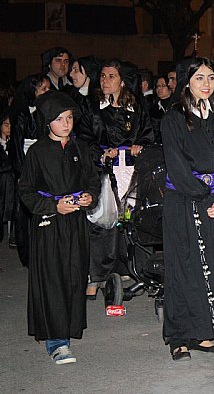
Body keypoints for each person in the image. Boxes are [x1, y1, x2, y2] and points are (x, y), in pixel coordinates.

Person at [18, 90, 100, 364]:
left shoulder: (80, 148)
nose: (66, 124)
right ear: (47, 122)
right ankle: (56, 340)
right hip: (50, 225)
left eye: (69, 118)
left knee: (74, 276)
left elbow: (92, 180)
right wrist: (54, 207)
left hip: (75, 223)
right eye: (59, 119)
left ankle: (69, 327)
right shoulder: (37, 152)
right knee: (53, 280)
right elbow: (27, 192)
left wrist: (90, 197)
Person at [161, 57, 214, 361]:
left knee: (212, 265)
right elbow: (177, 167)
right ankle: (178, 336)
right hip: (185, 200)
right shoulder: (174, 119)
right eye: (200, 78)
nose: (207, 84)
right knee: (184, 266)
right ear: (186, 81)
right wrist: (205, 195)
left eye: (211, 77)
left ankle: (203, 331)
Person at [86, 59, 154, 298]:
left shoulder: (137, 108)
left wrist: (139, 147)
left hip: (132, 172)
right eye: (103, 76)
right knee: (103, 223)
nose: (106, 81)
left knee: (133, 221)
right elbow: (86, 138)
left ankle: (135, 269)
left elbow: (148, 136)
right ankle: (96, 274)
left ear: (122, 81)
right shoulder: (93, 107)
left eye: (111, 76)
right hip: (105, 172)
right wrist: (101, 153)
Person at [8, 74, 51, 266]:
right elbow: (17, 147)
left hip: (44, 167)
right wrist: (22, 173)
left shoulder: (47, 111)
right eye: (43, 90)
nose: (47, 93)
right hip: (27, 167)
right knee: (26, 214)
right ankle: (29, 255)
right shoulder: (22, 114)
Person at [0, 113, 14, 243]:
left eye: (10, 125)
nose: (8, 128)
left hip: (10, 182)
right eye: (5, 125)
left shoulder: (14, 143)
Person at [150, 75, 172, 143]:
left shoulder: (175, 107)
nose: (159, 89)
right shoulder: (153, 109)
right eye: (158, 86)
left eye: (163, 86)